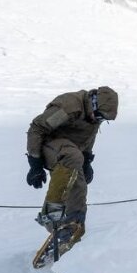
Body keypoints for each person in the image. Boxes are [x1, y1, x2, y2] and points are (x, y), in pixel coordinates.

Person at [25, 86, 119, 246]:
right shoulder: (70, 107)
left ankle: (73, 227)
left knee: (79, 184)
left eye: (103, 119)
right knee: (73, 156)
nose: (99, 120)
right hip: (47, 146)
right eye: (99, 116)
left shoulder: (94, 116)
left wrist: (87, 161)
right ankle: (52, 216)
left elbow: (88, 137)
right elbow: (37, 128)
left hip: (71, 154)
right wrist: (35, 163)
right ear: (93, 103)